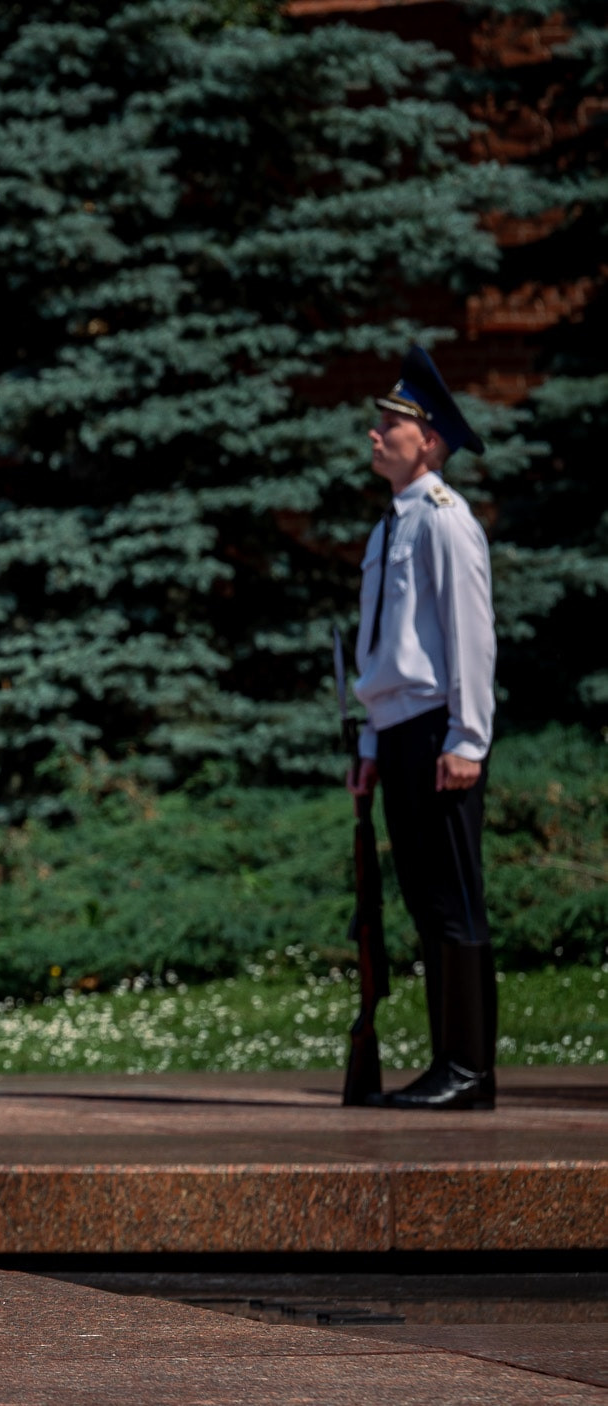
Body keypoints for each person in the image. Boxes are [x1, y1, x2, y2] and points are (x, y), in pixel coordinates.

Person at [345, 345, 498, 1112]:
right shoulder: (388, 529)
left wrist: (468, 739)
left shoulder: (444, 521)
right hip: (400, 732)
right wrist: (371, 744)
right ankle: (448, 1064)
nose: (376, 434)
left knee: (454, 899)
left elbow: (470, 634)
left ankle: (469, 1069)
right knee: (422, 899)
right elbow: (383, 651)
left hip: (440, 731)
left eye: (391, 425)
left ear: (429, 441)